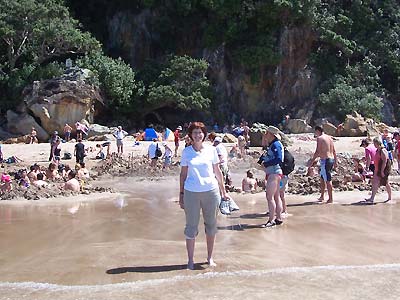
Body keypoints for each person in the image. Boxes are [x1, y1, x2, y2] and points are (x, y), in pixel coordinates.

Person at [179, 122, 230, 270]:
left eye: (200, 132)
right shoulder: (186, 152)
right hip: (191, 192)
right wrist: (181, 194)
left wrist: (224, 191)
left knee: (211, 225)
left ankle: (209, 258)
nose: (197, 135)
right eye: (194, 132)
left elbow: (217, 171)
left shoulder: (211, 150)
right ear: (190, 135)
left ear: (204, 134)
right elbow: (183, 174)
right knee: (191, 227)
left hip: (211, 191)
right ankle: (190, 260)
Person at [261, 126, 284, 228]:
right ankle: (278, 218)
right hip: (276, 173)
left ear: (271, 134)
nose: (265, 135)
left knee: (269, 197)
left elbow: (278, 159)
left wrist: (266, 164)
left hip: (274, 174)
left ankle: (271, 220)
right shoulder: (274, 144)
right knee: (276, 196)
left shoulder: (275, 145)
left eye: (266, 133)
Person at [308, 126, 337, 204]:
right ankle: (322, 196)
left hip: (325, 160)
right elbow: (334, 151)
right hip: (330, 159)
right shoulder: (330, 138)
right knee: (322, 178)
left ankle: (330, 199)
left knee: (327, 179)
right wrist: (336, 162)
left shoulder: (320, 138)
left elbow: (317, 151)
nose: (315, 134)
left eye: (315, 132)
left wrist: (312, 161)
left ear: (318, 131)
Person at [365, 137, 392, 203]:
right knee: (375, 182)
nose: (374, 144)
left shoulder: (383, 150)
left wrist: (382, 171)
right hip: (377, 168)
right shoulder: (378, 150)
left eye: (374, 143)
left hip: (383, 169)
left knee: (386, 183)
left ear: (377, 143)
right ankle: (372, 198)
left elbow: (385, 161)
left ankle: (389, 197)